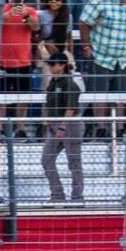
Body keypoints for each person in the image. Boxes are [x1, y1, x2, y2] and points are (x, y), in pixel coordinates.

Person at [79, 0, 126, 138]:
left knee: (120, 96)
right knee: (98, 95)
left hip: (123, 58)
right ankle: (100, 129)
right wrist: (86, 46)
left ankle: (119, 129)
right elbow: (83, 23)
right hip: (100, 57)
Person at [0, 0, 40, 138]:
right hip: (3, 61)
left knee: (23, 98)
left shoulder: (30, 10)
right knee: (1, 99)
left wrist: (24, 15)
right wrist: (8, 14)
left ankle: (21, 128)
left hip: (23, 61)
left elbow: (36, 27)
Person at [41, 51, 84, 203]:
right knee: (46, 159)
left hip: (69, 124)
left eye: (54, 64)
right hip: (54, 124)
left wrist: (63, 127)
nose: (52, 67)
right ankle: (57, 193)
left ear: (63, 66)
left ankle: (77, 194)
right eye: (50, 64)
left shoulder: (69, 84)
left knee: (73, 161)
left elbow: (70, 108)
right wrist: (48, 123)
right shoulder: (53, 83)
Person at [38, 0, 73, 89]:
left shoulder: (68, 16)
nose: (54, 1)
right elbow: (37, 35)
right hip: (47, 53)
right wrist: (45, 44)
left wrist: (71, 57)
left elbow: (69, 37)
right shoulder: (41, 15)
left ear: (62, 1)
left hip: (62, 52)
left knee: (66, 84)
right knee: (48, 84)